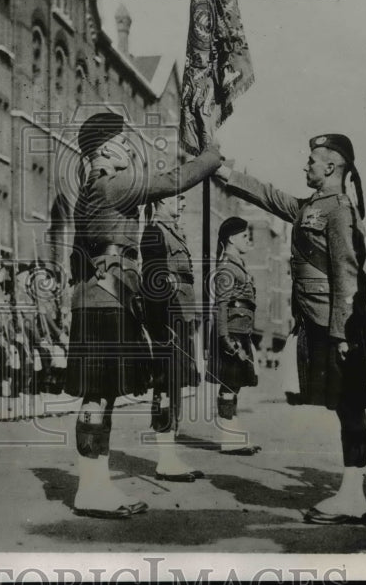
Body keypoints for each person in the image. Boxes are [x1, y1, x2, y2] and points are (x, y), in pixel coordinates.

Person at [216, 134, 366, 525]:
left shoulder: (339, 209)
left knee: (351, 407)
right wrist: (222, 169)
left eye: (312, 161)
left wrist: (343, 333)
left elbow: (347, 271)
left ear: (331, 166)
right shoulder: (311, 206)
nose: (305, 166)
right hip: (319, 320)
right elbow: (269, 196)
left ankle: (352, 494)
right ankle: (351, 490)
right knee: (345, 407)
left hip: (336, 324)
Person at [67, 110, 222, 519]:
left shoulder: (92, 188)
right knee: (98, 394)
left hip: (103, 295)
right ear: (104, 149)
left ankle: (95, 484)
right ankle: (90, 487)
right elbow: (172, 183)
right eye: (122, 141)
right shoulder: (114, 184)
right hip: (107, 298)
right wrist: (209, 157)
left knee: (101, 394)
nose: (129, 148)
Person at [139, 193, 205, 479]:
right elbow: (153, 285)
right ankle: (165, 459)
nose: (184, 203)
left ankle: (170, 456)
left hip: (181, 320)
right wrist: (159, 331)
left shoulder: (174, 233)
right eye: (178, 198)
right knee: (165, 388)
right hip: (167, 322)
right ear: (162, 201)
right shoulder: (155, 232)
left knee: (175, 387)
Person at [206, 216, 261, 456]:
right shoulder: (227, 267)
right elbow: (221, 305)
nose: (247, 240)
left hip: (241, 332)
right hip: (231, 334)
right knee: (229, 387)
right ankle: (230, 441)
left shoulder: (237, 265)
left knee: (234, 387)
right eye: (242, 236)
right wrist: (224, 339)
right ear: (230, 238)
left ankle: (235, 438)